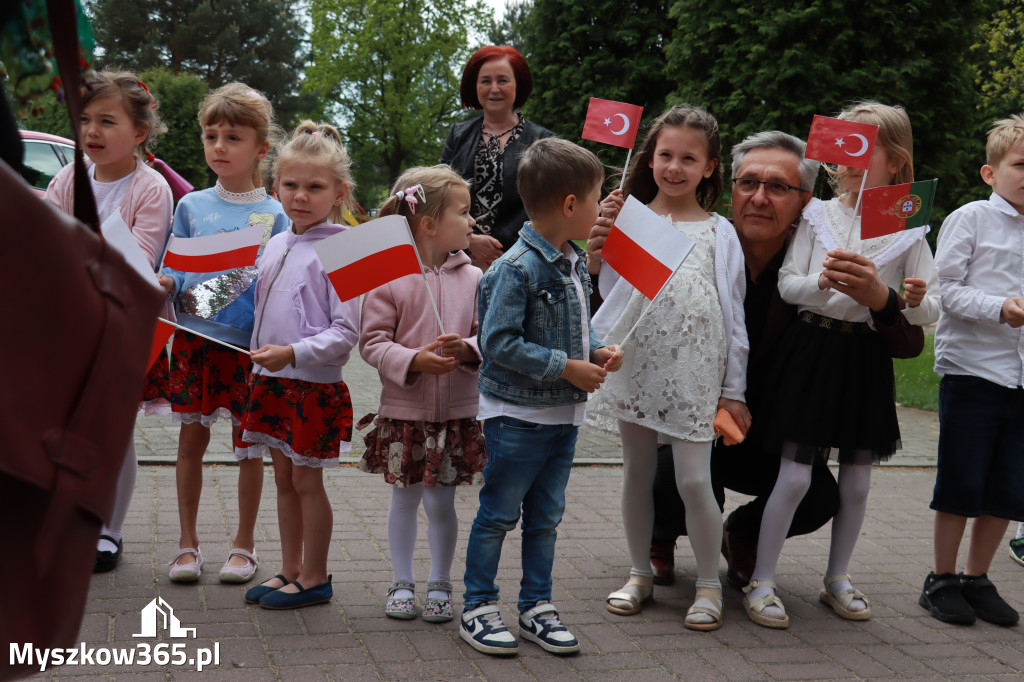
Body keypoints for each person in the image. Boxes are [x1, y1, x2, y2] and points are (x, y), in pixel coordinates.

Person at [745, 102, 939, 629]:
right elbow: (790, 284)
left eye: (860, 149)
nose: (845, 162)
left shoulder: (909, 224)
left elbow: (928, 307)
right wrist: (822, 283)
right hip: (813, 351)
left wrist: (908, 296)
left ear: (894, 162)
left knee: (856, 483)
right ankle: (761, 579)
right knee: (794, 477)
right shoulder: (819, 215)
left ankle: (838, 578)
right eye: (840, 149)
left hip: (865, 357)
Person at [584, 105, 748, 632]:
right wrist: (595, 257)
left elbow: (734, 314)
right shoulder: (627, 217)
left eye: (688, 158)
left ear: (709, 167)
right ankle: (638, 574)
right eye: (665, 155)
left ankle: (707, 584)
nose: (674, 167)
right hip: (636, 362)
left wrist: (733, 388)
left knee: (695, 480)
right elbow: (613, 297)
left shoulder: (721, 233)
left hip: (695, 371)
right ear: (650, 158)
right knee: (635, 472)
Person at [459, 138, 622, 657]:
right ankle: (478, 607)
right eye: (597, 199)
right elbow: (498, 344)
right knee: (499, 515)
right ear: (571, 205)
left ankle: (536, 606)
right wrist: (567, 368)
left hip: (562, 418)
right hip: (518, 418)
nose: (600, 210)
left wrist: (596, 351)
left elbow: (575, 327)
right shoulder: (515, 268)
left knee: (546, 518)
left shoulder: (572, 262)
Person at [158, 83, 288, 583]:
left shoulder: (276, 213)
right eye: (210, 135)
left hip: (246, 346)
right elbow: (173, 269)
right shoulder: (191, 205)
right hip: (193, 339)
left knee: (248, 447)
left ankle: (244, 545)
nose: (218, 147)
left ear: (260, 147)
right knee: (191, 439)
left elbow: (276, 281)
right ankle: (186, 544)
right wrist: (158, 283)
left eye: (232, 137)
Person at [45, 70, 173, 573]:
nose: (91, 131)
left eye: (105, 120)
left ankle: (108, 531)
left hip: (122, 331)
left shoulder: (151, 188)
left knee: (114, 433)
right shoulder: (67, 177)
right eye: (84, 120)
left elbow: (137, 260)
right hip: (69, 327)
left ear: (139, 133)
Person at [357, 165, 487, 623]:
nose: (472, 221)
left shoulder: (474, 278)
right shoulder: (389, 276)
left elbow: (486, 336)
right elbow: (372, 342)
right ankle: (401, 580)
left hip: (455, 413)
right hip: (404, 411)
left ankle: (439, 581)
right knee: (405, 499)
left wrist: (467, 348)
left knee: (441, 503)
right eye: (464, 211)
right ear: (429, 224)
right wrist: (413, 359)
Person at [238, 121, 359, 609]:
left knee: (307, 481)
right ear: (275, 187)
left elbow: (345, 332)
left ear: (338, 192)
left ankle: (315, 576)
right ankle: (288, 569)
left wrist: (293, 353)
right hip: (270, 383)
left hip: (311, 386)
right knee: (283, 479)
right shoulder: (274, 243)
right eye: (290, 185)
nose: (301, 196)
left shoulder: (345, 250)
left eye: (315, 187)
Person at [919, 114, 1024, 627]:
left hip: (1021, 378)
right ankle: (940, 578)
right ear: (991, 172)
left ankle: (976, 577)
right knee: (963, 477)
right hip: (974, 371)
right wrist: (999, 307)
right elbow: (947, 291)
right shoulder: (971, 218)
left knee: (1008, 484)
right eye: (1021, 164)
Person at [441, 45, 555, 270]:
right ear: (474, 86)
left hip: (522, 263)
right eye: (485, 81)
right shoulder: (457, 135)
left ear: (518, 84)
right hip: (462, 262)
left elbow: (551, 209)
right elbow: (440, 198)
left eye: (502, 80)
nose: (494, 89)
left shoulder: (543, 141)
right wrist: (470, 241)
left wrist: (506, 249)